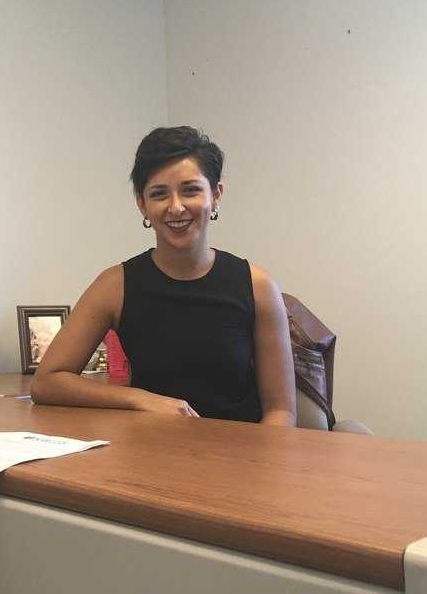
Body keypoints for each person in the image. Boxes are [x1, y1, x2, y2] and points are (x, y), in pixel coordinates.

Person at [31, 126, 296, 425]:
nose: (176, 207)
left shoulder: (257, 286)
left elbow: (281, 411)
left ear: (216, 195)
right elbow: (47, 381)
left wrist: (261, 455)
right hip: (151, 448)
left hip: (241, 449)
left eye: (190, 190)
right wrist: (139, 399)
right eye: (159, 194)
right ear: (142, 204)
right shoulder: (115, 285)